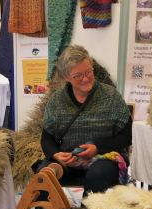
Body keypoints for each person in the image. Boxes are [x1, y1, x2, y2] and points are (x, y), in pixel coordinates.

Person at [37, 44, 132, 194]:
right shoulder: (56, 101)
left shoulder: (111, 97)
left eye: (89, 72)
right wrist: (56, 154)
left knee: (97, 175)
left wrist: (97, 147)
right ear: (66, 77)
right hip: (68, 160)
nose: (86, 78)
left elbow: (127, 136)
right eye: (78, 75)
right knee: (44, 175)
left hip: (105, 158)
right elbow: (47, 139)